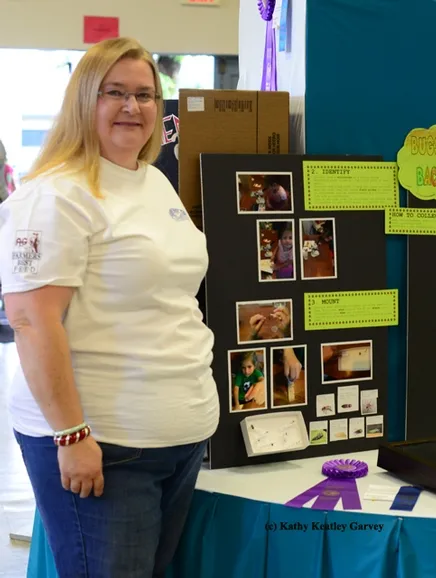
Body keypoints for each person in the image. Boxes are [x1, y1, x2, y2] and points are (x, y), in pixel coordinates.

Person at [0, 37, 219, 577]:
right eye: (113, 92)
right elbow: (31, 321)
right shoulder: (56, 194)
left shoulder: (152, 182)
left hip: (176, 436)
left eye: (145, 94)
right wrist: (71, 436)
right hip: (105, 445)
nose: (132, 106)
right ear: (83, 101)